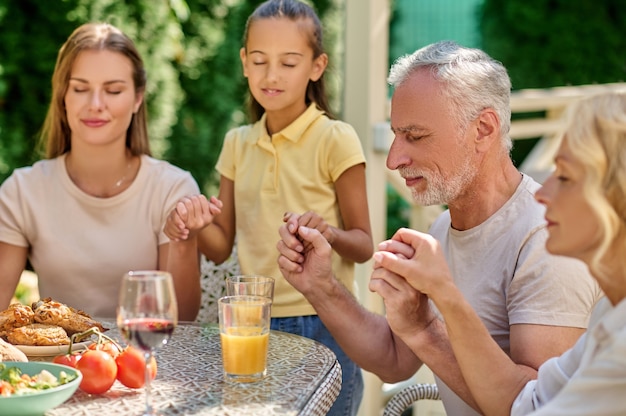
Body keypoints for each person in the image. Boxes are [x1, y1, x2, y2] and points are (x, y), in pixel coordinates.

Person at [276, 41, 603, 415]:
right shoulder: (442, 228)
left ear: (483, 129)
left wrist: (426, 331)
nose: (394, 159)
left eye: (415, 136)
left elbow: (537, 409)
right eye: (396, 134)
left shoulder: (548, 239)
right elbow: (395, 359)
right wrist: (319, 285)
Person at [164, 1, 373, 414]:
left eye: (289, 63)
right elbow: (221, 247)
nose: (271, 75)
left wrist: (328, 234)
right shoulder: (237, 142)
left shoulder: (336, 139)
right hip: (251, 325)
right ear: (244, 62)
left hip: (325, 320)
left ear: (317, 66)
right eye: (259, 61)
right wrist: (194, 222)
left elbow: (364, 244)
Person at [373, 91, 626, 415]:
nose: (544, 192)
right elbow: (529, 403)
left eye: (564, 177)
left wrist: (443, 297)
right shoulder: (612, 314)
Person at [0, 23, 203, 321]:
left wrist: (185, 242)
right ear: (63, 96)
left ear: (137, 98)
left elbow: (182, 322)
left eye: (113, 90)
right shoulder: (23, 191)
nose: (95, 105)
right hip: (59, 366)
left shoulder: (173, 189)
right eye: (81, 89)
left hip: (146, 363)